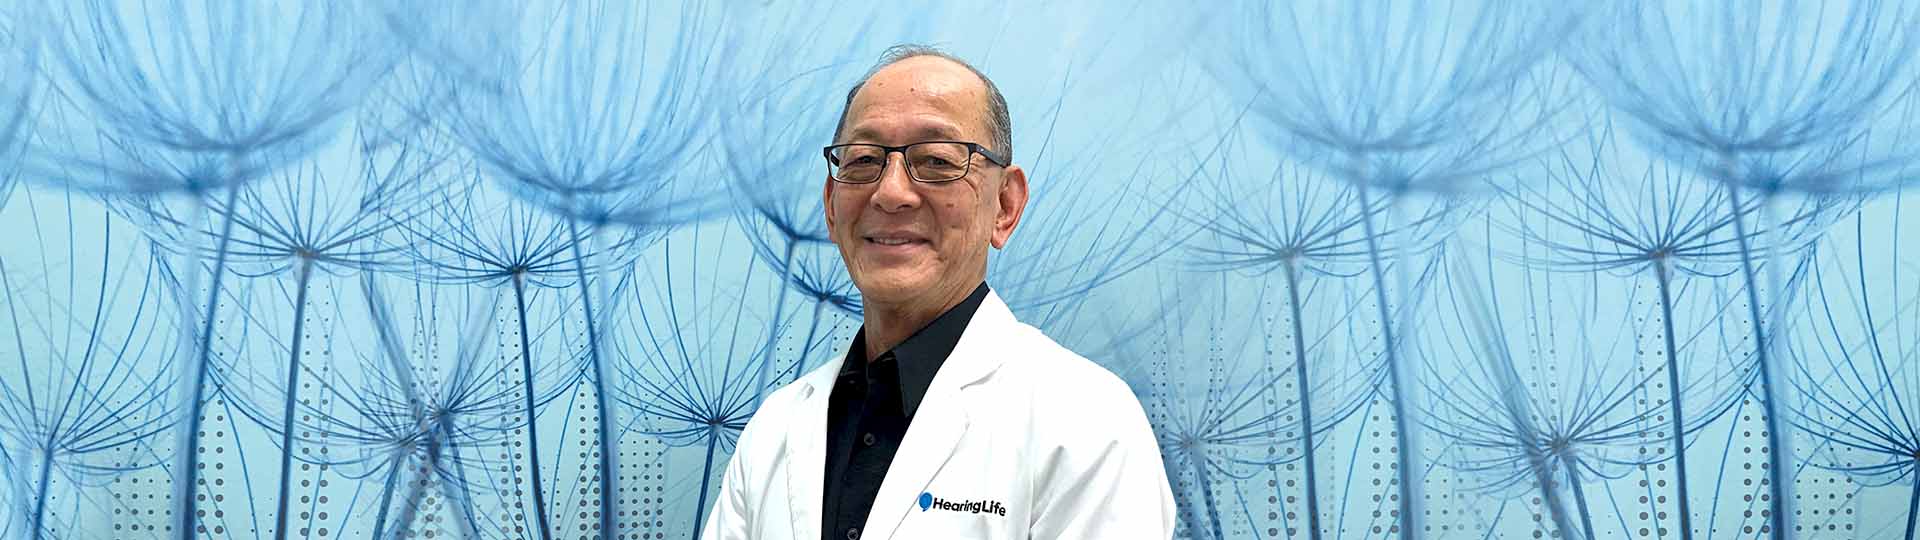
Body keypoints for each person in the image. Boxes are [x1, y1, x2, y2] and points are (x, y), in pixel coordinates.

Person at [699, 45, 1175, 540]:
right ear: (832, 205)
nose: (891, 193)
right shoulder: (776, 427)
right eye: (864, 160)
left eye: (936, 160)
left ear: (1005, 206)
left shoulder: (1087, 424)